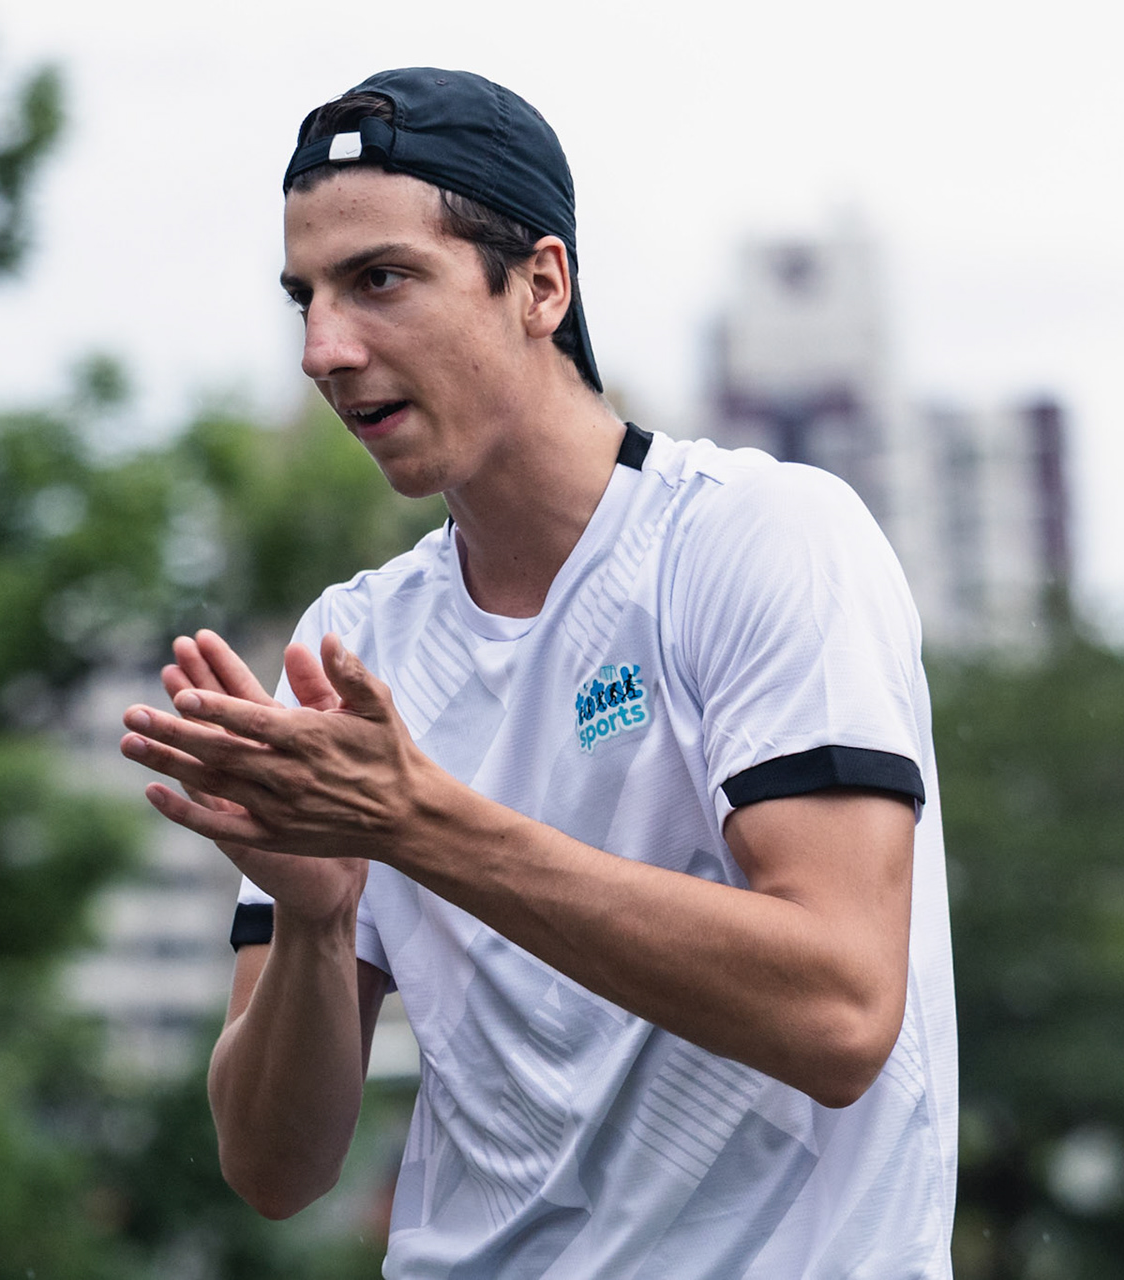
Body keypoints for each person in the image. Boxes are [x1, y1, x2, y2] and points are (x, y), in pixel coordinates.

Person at [119, 67, 957, 1277]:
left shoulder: (761, 539)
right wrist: (316, 919)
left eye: (381, 280)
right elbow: (274, 1166)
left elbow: (838, 1013)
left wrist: (418, 821)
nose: (322, 347)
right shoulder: (354, 644)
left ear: (541, 284)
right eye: (303, 296)